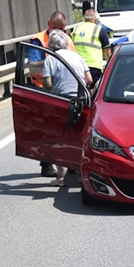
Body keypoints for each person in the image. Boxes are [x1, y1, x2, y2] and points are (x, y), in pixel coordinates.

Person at [44, 29, 90, 186]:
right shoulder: (77, 56)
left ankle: (61, 178)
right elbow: (89, 79)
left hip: (60, 102)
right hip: (80, 101)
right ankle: (79, 175)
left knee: (61, 138)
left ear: (51, 45)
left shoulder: (51, 59)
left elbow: (47, 84)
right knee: (77, 137)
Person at [27, 11, 69, 177]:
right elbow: (34, 68)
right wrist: (54, 61)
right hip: (44, 90)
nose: (59, 31)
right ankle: (46, 165)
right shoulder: (38, 40)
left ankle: (70, 163)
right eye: (55, 27)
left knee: (68, 129)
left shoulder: (67, 39)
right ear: (48, 23)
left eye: (62, 28)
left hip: (65, 90)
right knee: (47, 130)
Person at [68, 8, 111, 86]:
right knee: (94, 92)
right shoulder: (100, 30)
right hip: (93, 66)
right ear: (96, 20)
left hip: (77, 66)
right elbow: (107, 51)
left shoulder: (75, 29)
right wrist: (110, 65)